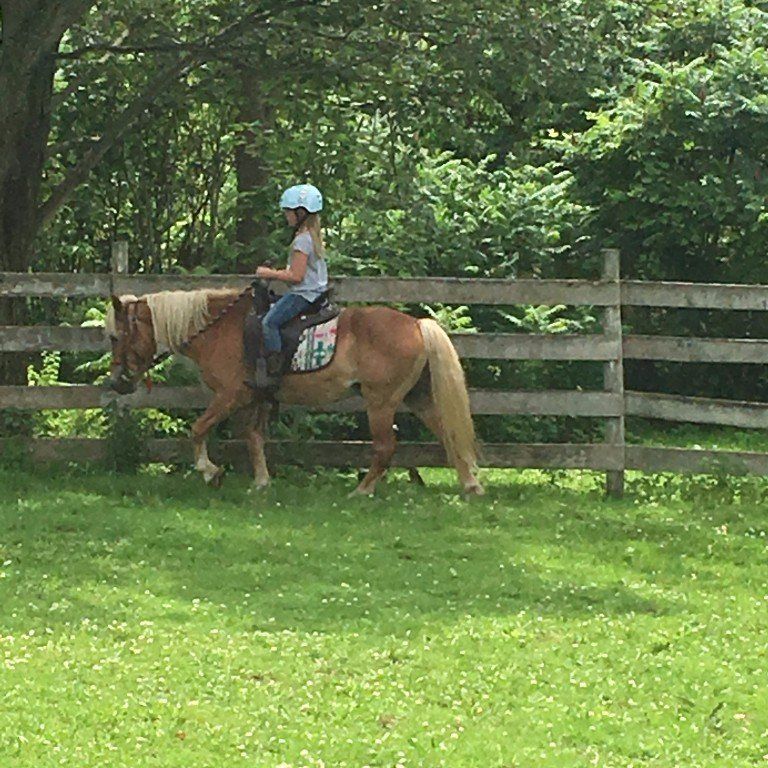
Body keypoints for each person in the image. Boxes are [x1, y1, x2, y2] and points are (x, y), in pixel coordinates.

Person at [254, 183, 328, 382]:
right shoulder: (312, 237)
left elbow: (296, 276)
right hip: (316, 292)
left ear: (301, 213)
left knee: (269, 322)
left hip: (304, 294)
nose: (286, 215)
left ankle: (275, 369)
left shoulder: (302, 240)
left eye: (289, 211)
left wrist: (269, 273)